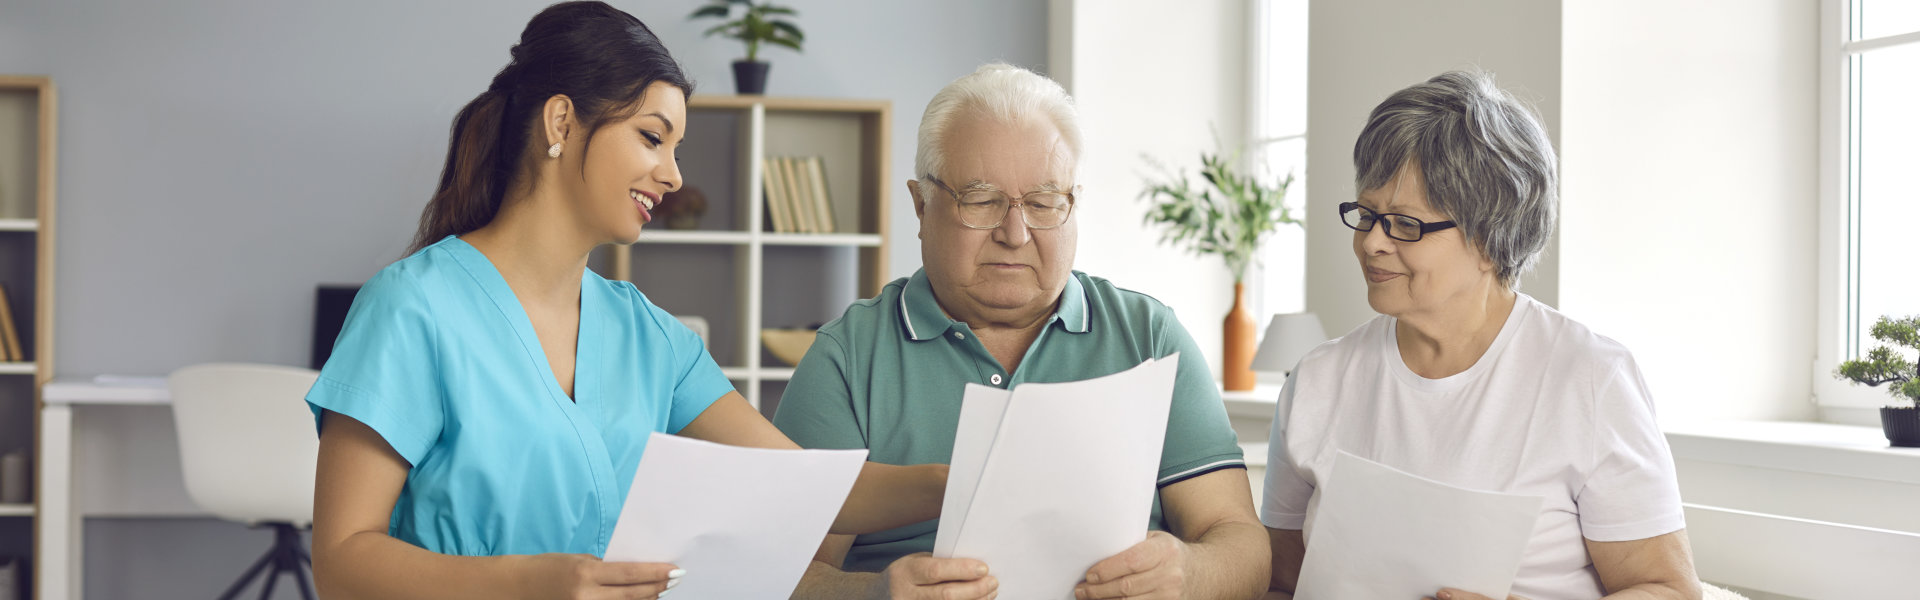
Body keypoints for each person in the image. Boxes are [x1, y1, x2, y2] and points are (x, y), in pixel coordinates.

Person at [306, 4, 946, 599]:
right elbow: (341, 560)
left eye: (676, 149)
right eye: (651, 137)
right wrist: (533, 584)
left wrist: (953, 483)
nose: (673, 175)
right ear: (561, 122)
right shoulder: (412, 307)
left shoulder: (650, 335)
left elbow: (809, 489)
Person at [774, 63, 1272, 600]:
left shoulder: (1150, 337)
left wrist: (1190, 574)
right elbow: (778, 572)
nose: (1015, 234)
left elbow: (1240, 543)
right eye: (982, 201)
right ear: (921, 206)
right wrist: (873, 593)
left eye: (1043, 203)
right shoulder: (847, 359)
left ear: (1073, 205)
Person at [1261, 71, 1701, 600]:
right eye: (1367, 214)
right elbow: (1281, 581)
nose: (1371, 242)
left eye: (1405, 223)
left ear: (1491, 240)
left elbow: (1665, 589)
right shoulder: (1316, 379)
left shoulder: (1589, 378)